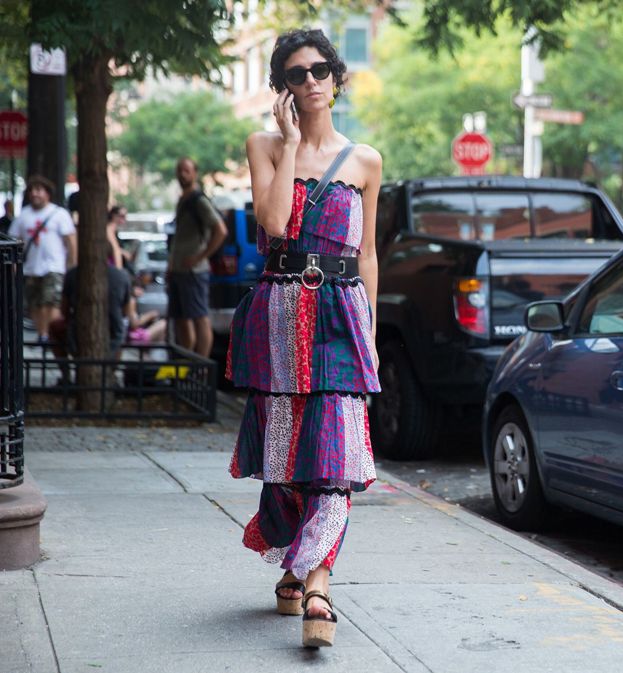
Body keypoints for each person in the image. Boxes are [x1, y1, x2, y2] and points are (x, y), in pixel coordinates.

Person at [225, 28, 382, 649]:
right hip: (282, 314)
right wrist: (290, 143)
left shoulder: (365, 160)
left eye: (321, 69)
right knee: (287, 455)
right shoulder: (264, 144)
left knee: (336, 456)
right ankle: (294, 560)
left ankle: (318, 582)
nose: (311, 79)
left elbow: (367, 253)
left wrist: (370, 327)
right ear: (282, 88)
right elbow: (271, 222)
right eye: (296, 73)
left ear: (337, 79)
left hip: (343, 315)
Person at [166, 157, 227, 358]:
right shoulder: (183, 199)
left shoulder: (199, 201)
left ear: (195, 173)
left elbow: (221, 230)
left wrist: (200, 257)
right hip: (178, 270)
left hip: (194, 271)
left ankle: (201, 368)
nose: (182, 174)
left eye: (187, 170)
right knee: (182, 318)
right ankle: (187, 364)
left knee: (200, 317)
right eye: (180, 170)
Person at [8, 175, 77, 341]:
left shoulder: (59, 214)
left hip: (54, 267)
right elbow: (14, 242)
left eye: (38, 190)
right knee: (35, 304)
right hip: (31, 268)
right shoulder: (23, 216)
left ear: (47, 193)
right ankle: (42, 335)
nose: (34, 194)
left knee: (51, 302)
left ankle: (51, 336)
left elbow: (71, 242)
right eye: (31, 190)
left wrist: (72, 265)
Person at [50, 243, 131, 380]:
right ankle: (110, 373)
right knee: (122, 331)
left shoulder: (72, 274)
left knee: (53, 328)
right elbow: (126, 311)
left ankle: (65, 375)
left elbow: (64, 310)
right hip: (114, 329)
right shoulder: (122, 276)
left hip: (77, 330)